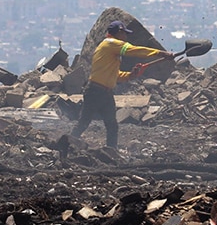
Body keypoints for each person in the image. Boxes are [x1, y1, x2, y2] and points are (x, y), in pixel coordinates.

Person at [70, 20, 173, 150]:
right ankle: (69, 143)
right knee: (84, 122)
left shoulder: (108, 48)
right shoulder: (111, 43)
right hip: (95, 91)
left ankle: (111, 151)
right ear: (119, 32)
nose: (126, 37)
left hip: (105, 92)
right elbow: (133, 50)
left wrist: (131, 75)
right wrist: (160, 53)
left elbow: (116, 75)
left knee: (111, 125)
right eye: (124, 34)